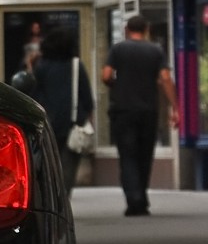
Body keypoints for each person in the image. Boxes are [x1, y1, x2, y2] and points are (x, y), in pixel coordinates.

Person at [102, 15, 179, 217]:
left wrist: (116, 85)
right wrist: (175, 107)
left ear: (127, 29)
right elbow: (165, 78)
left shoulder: (118, 49)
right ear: (146, 29)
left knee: (127, 156)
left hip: (123, 110)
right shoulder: (155, 51)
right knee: (144, 156)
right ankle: (142, 198)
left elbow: (106, 75)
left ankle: (133, 199)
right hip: (148, 111)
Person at [29, 26, 95, 191]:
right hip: (72, 122)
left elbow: (33, 92)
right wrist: (89, 118)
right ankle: (63, 199)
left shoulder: (42, 67)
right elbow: (86, 96)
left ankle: (51, 197)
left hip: (47, 122)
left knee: (47, 165)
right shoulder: (76, 65)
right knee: (68, 167)